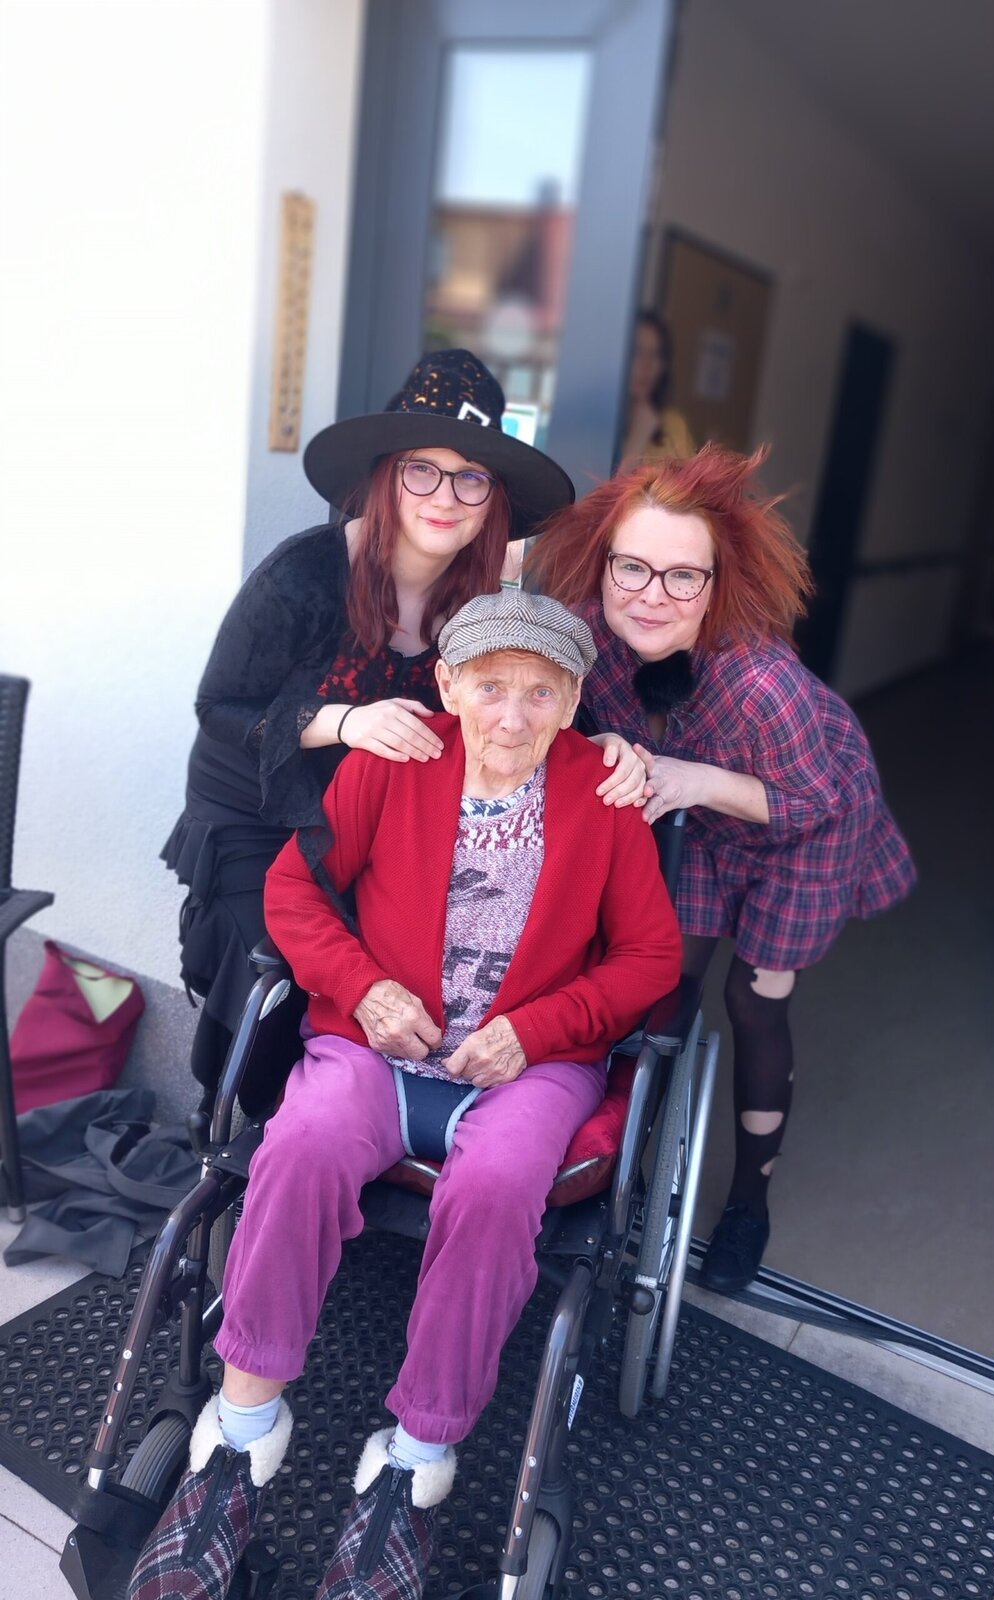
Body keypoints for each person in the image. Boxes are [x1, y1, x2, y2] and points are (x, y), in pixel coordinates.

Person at [128, 591, 683, 1600]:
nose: (511, 714)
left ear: (571, 704)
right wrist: (364, 987)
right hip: (376, 1048)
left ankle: (415, 1460)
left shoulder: (603, 796)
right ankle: (241, 1435)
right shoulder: (395, 762)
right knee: (298, 1145)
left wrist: (535, 1030)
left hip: (529, 1067)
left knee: (500, 1186)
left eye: (540, 693)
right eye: (491, 687)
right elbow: (295, 891)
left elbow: (651, 956)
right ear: (449, 685)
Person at [164, 350, 642, 1110]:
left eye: (471, 478)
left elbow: (532, 700)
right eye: (423, 470)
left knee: (397, 971)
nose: (445, 496)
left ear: (492, 499)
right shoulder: (304, 573)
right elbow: (219, 709)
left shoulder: (481, 598)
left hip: (361, 823)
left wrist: (606, 743)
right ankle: (232, 1122)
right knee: (282, 969)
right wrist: (346, 723)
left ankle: (351, 1130)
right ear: (388, 476)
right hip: (256, 813)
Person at [525, 444, 915, 1294]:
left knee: (752, 1001)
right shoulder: (589, 638)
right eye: (632, 567)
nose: (650, 595)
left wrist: (694, 779)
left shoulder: (763, 685)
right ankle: (620, 1167)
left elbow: (811, 799)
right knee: (663, 983)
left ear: (716, 584)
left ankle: (748, 1204)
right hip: (696, 815)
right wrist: (607, 742)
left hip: (803, 823)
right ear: (605, 562)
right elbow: (560, 718)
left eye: (682, 577)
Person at [617, 309, 696, 472]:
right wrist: (638, 437)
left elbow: (691, 486)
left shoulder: (673, 425)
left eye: (655, 354)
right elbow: (603, 488)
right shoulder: (598, 424)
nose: (647, 365)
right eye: (637, 352)